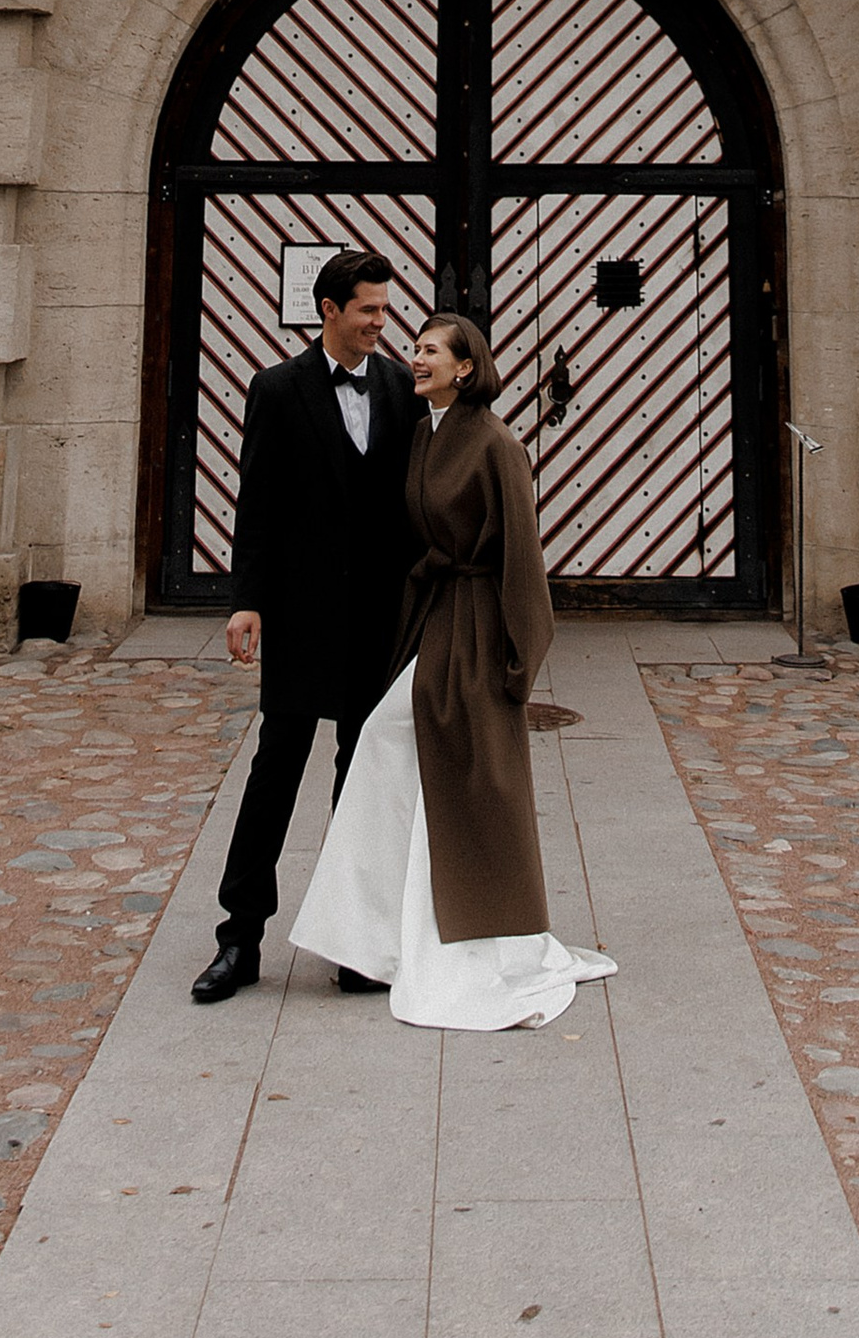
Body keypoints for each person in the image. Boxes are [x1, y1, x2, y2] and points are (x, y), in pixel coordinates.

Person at [290, 310, 617, 1031]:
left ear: (467, 367)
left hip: (476, 623)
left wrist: (518, 659)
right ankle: (377, 936)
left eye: (431, 351)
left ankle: (458, 938)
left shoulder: (496, 442)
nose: (416, 358)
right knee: (394, 751)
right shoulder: (425, 434)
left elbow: (522, 559)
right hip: (435, 617)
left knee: (432, 761)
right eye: (414, 348)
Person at [189, 244, 414, 1004]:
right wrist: (245, 599)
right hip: (300, 612)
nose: (381, 324)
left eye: (385, 309)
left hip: (378, 619)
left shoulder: (397, 387)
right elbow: (257, 504)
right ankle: (239, 939)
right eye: (368, 310)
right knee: (275, 771)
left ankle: (354, 944)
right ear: (329, 312)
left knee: (361, 779)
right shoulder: (277, 389)